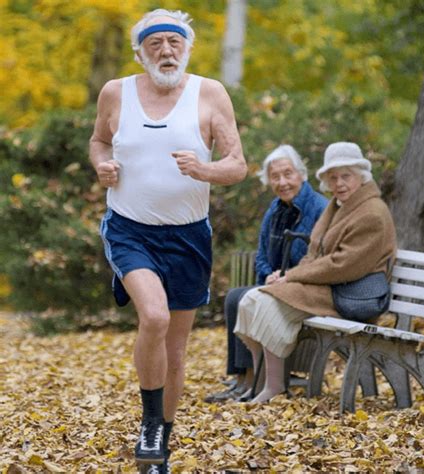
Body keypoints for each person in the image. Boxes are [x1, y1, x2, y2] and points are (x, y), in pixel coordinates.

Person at [89, 8, 247, 471]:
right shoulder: (116, 93)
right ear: (141, 53)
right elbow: (99, 141)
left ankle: (161, 443)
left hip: (188, 235)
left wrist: (206, 170)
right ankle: (149, 425)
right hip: (129, 228)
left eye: (174, 42)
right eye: (155, 43)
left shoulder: (210, 93)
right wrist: (102, 165)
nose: (166, 50)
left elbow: (237, 163)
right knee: (154, 317)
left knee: (176, 353)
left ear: (188, 48)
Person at [234, 141, 397, 403]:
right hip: (329, 286)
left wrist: (292, 277)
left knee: (263, 302)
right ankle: (264, 382)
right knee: (250, 301)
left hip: (350, 293)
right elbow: (314, 252)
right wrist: (283, 276)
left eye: (346, 176)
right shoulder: (339, 205)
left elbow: (342, 265)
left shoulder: (372, 213)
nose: (339, 183)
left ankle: (274, 387)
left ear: (362, 176)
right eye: (333, 177)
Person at [205, 145, 328, 403]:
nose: (282, 182)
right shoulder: (275, 210)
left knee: (242, 298)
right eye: (275, 176)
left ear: (301, 175)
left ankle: (253, 379)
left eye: (288, 174)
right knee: (234, 297)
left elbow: (320, 258)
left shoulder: (319, 208)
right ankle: (243, 378)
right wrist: (269, 273)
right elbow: (261, 254)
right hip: (277, 283)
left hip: (303, 286)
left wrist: (289, 274)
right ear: (268, 180)